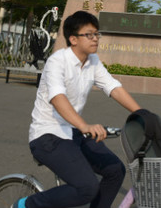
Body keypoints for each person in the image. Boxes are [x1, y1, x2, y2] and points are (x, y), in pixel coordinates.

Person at [14, 11, 141, 208]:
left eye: (97, 34)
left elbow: (112, 87)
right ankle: (27, 205)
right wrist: (84, 126)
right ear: (73, 39)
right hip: (47, 135)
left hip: (72, 133)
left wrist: (141, 114)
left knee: (115, 170)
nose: (95, 39)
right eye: (89, 34)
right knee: (87, 188)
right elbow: (57, 98)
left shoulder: (93, 61)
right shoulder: (57, 61)